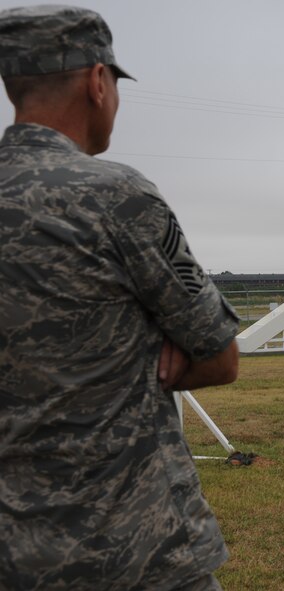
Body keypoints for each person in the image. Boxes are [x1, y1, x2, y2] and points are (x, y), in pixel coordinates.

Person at [0, 6, 240, 590]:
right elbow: (219, 356)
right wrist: (141, 356)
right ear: (97, 81)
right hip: (134, 552)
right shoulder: (117, 198)